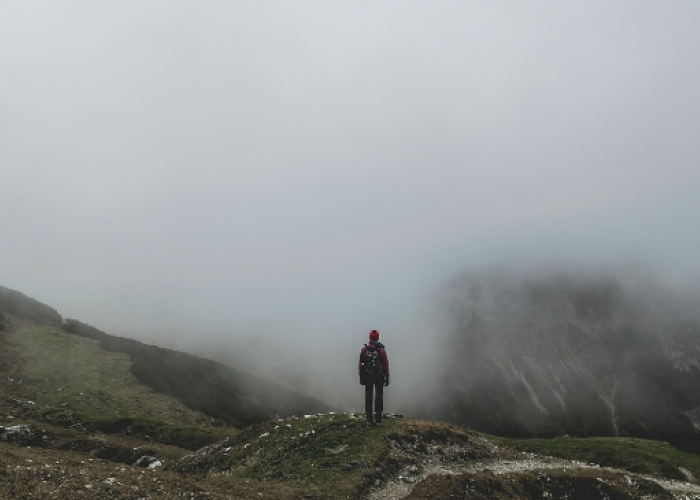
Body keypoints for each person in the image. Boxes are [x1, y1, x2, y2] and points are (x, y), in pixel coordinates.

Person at [358, 329, 390, 426]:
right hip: (379, 376)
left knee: (368, 397)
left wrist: (361, 376)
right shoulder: (381, 350)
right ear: (378, 338)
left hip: (367, 376)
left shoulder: (364, 350)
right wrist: (387, 376)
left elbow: (360, 364)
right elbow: (385, 364)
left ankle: (369, 419)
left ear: (370, 338)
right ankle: (378, 420)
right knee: (379, 397)